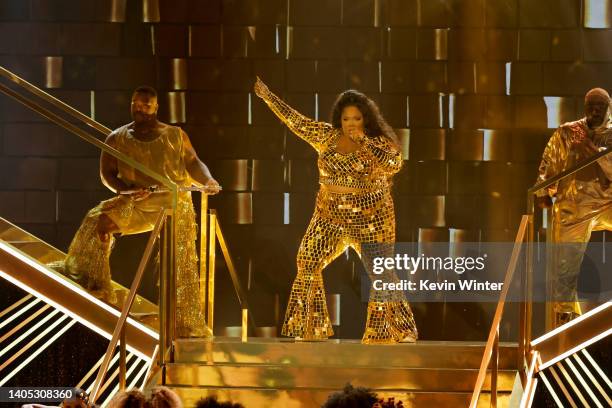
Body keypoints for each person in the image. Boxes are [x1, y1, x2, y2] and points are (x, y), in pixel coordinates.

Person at [254, 77, 418, 344]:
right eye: (345, 119)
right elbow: (297, 122)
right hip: (329, 216)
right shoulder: (327, 137)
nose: (350, 124)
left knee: (381, 271)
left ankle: (397, 330)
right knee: (307, 261)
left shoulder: (379, 144)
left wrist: (364, 142)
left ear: (366, 119)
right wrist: (268, 97)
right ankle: (311, 327)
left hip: (371, 217)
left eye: (356, 119)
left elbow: (393, 165)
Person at [53, 86, 220, 337]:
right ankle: (91, 280)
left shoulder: (174, 135)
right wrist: (127, 191)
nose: (139, 108)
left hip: (174, 206)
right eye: (135, 103)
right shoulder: (117, 137)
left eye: (145, 104)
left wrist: (207, 181)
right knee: (97, 222)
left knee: (179, 263)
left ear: (155, 107)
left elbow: (193, 162)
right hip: (138, 202)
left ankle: (183, 322)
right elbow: (107, 175)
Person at [535, 87, 612, 326]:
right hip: (574, 206)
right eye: (591, 106)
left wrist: (591, 150)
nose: (595, 110)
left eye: (600, 105)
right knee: (563, 268)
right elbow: (550, 163)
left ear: (609, 107)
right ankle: (566, 322)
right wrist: (543, 190)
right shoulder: (568, 133)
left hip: (608, 201)